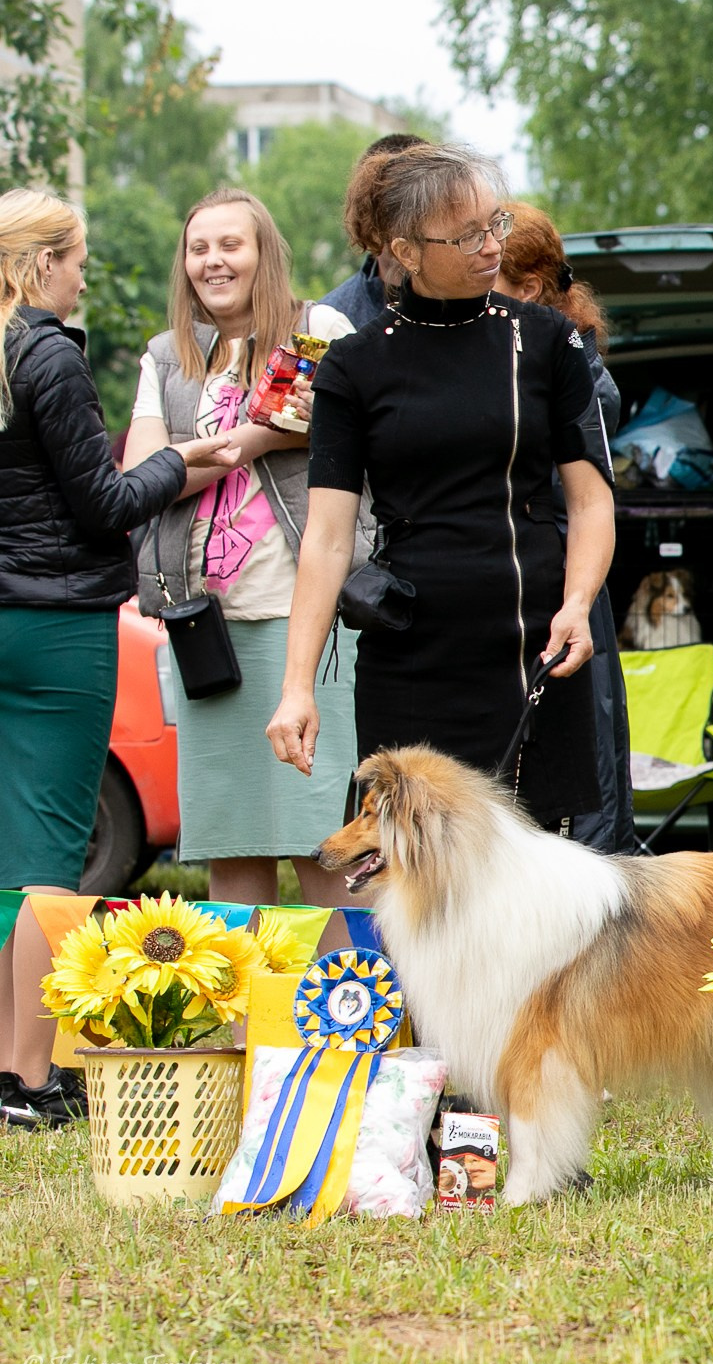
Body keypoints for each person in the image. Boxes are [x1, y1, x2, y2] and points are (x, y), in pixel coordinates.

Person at [267, 145, 614, 832]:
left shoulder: (546, 342)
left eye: (496, 224)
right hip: (411, 658)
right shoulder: (354, 367)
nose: (492, 246)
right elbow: (328, 538)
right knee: (417, 881)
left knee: (534, 892)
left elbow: (591, 496)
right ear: (407, 249)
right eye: (467, 235)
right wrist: (296, 686)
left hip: (531, 642)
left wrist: (578, 603)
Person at [0, 188, 237, 1127]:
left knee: (2, 857)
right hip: (57, 622)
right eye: (78, 257)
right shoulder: (45, 350)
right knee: (51, 853)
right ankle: (29, 1079)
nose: (84, 273)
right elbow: (101, 500)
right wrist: (188, 459)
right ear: (42, 261)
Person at [123, 188, 361, 909]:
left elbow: (283, 425)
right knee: (230, 849)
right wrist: (253, 434)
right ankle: (242, 1023)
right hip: (207, 631)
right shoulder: (168, 356)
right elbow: (141, 477)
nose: (212, 261)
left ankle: (356, 1018)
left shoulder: (314, 325)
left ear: (265, 253)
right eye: (199, 248)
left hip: (307, 627)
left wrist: (192, 452)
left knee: (327, 845)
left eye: (231, 244)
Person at [497, 203, 637, 853]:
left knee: (584, 782)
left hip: (564, 588)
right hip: (524, 588)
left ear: (526, 288)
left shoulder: (576, 371)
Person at [319, 132, 428, 329]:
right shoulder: (332, 319)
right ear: (366, 216)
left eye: (420, 208)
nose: (407, 225)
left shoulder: (481, 306)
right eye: (392, 209)